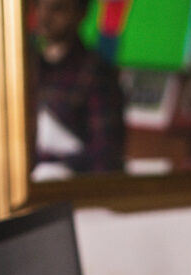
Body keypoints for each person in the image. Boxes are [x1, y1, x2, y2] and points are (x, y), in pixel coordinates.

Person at [30, 0, 126, 175]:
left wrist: (47, 158)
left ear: (81, 13)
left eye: (57, 9)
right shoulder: (27, 68)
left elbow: (106, 157)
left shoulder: (96, 73)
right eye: (38, 6)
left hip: (72, 188)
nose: (44, 17)